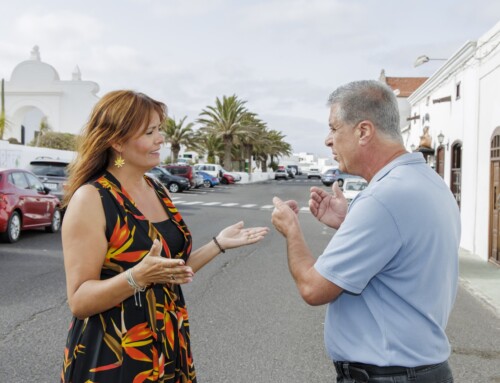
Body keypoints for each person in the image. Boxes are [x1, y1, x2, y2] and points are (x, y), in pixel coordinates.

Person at [60, 90, 269, 383]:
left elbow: (167, 272)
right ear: (117, 142)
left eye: (160, 129)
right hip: (117, 353)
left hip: (168, 343)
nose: (161, 138)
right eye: (150, 131)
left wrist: (218, 244)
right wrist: (136, 278)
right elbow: (80, 301)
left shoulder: (156, 188)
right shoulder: (92, 198)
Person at [272, 80, 460, 383]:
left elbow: (313, 288)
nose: (327, 140)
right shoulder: (429, 182)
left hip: (389, 376)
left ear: (363, 131)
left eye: (334, 128)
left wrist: (292, 230)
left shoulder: (383, 199)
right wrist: (350, 222)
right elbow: (401, 256)